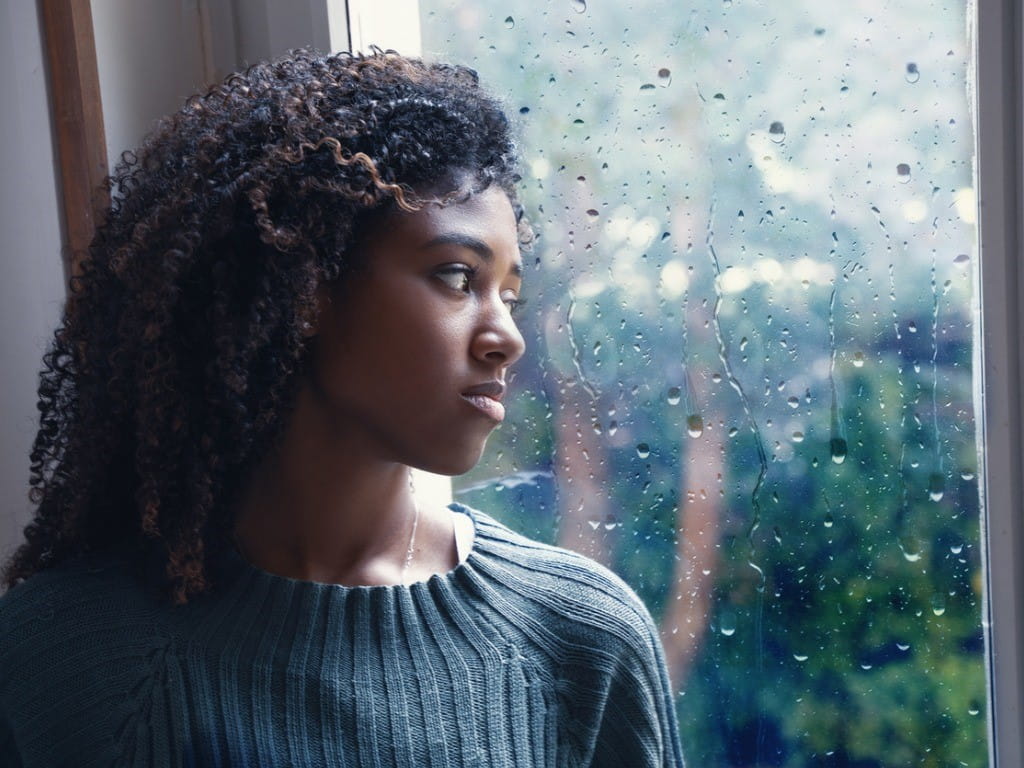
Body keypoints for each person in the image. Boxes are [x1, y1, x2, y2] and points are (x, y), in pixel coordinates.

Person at [0, 49, 685, 767]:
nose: (505, 339)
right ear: (305, 286)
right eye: (458, 278)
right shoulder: (65, 662)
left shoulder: (581, 642)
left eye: (508, 295)